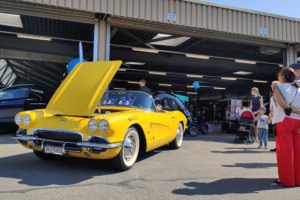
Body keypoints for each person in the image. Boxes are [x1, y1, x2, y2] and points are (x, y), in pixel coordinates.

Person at [273, 67, 300, 187]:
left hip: (284, 120)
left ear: (283, 76)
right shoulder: (298, 88)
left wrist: (292, 110)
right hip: (298, 122)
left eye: (279, 74)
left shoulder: (278, 87)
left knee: (285, 151)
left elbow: (281, 103)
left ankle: (287, 181)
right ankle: (298, 180)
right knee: (298, 151)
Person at [268, 81, 280, 152]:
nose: (271, 87)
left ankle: (279, 147)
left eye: (272, 85)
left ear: (274, 86)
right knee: (276, 133)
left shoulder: (276, 94)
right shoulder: (274, 95)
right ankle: (277, 147)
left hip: (278, 117)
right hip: (275, 117)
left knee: (278, 133)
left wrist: (269, 114)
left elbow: (274, 106)